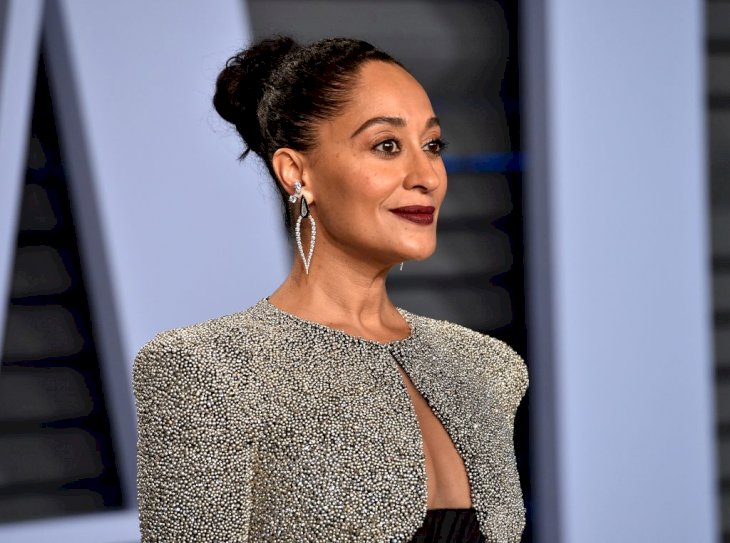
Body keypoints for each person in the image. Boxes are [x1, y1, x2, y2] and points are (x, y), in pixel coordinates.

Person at [132, 35, 529, 543]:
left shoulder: (486, 367)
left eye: (432, 146)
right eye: (387, 146)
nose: (426, 174)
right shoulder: (207, 370)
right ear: (296, 173)